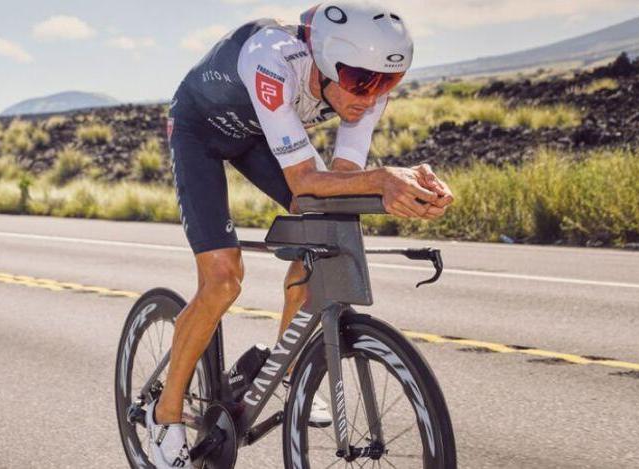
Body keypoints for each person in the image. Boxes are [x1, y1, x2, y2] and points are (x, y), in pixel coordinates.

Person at [145, 1, 455, 467]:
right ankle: (165, 416)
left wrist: (407, 191)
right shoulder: (271, 57)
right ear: (328, 61)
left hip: (259, 138)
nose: (371, 97)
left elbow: (343, 181)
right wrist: (384, 177)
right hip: (199, 131)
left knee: (325, 232)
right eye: (360, 82)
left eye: (388, 82)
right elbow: (305, 180)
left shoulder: (366, 81)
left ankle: (289, 366)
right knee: (223, 279)